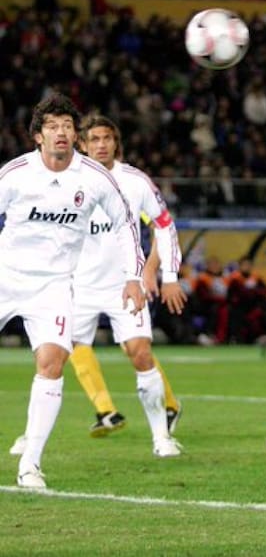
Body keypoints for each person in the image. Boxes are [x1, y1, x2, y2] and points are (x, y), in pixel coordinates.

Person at [10, 115, 186, 457]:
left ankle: (162, 437)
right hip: (75, 287)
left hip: (124, 286)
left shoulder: (134, 182)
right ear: (82, 144)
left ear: (116, 143)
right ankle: (35, 435)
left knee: (140, 352)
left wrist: (162, 274)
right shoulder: (66, 179)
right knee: (51, 358)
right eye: (94, 139)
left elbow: (163, 225)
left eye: (107, 138)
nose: (101, 145)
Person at [0, 94, 145, 488]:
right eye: (52, 126)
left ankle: (30, 464)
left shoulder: (94, 177)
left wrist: (133, 276)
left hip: (53, 286)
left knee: (52, 364)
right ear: (38, 136)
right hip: (6, 277)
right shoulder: (15, 174)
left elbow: (125, 224)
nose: (61, 132)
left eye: (67, 126)